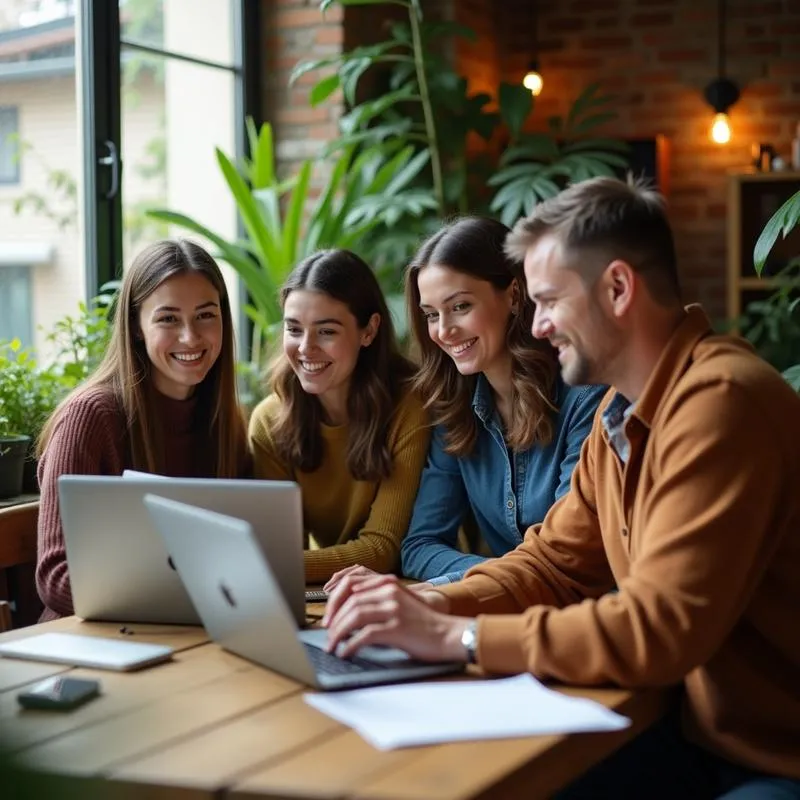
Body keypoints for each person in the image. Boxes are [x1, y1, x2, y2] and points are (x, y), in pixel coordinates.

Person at [323, 178, 800, 798]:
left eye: (548, 300)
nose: (539, 325)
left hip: (774, 760)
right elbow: (552, 562)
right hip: (688, 733)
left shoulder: (720, 403)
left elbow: (655, 628)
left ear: (618, 289)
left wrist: (454, 636)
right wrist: (433, 605)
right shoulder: (621, 417)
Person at [327, 216, 604, 591]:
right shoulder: (454, 408)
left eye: (460, 306)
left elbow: (568, 557)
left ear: (514, 295)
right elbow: (420, 546)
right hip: (505, 611)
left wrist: (471, 580)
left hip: (588, 623)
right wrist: (500, 576)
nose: (443, 330)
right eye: (430, 315)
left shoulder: (586, 398)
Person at [36, 239, 251, 620]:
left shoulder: (225, 420)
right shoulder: (89, 417)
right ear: (136, 326)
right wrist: (199, 599)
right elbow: (57, 577)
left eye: (206, 315)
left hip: (195, 633)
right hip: (92, 647)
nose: (190, 336)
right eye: (168, 318)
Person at [248, 249, 430, 585]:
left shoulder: (408, 409)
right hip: (328, 591)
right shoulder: (269, 420)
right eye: (294, 329)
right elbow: (284, 548)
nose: (305, 347)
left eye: (326, 331)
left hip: (411, 588)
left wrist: (269, 565)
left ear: (369, 331)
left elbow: (382, 550)